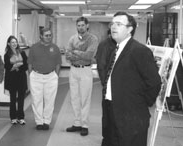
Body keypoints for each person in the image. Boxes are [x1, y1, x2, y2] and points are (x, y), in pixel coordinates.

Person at [102, 11, 161, 146]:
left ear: (130, 29)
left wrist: (140, 104)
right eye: (112, 24)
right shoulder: (115, 50)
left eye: (119, 24)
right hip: (112, 111)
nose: (113, 27)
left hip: (132, 116)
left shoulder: (139, 51)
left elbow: (154, 82)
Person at [65, 16, 98, 136]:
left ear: (87, 26)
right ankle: (77, 123)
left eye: (83, 25)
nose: (80, 27)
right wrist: (78, 54)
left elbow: (89, 55)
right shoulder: (72, 38)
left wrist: (75, 52)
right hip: (73, 70)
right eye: (78, 25)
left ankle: (85, 125)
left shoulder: (93, 39)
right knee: (74, 98)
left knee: (85, 98)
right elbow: (67, 55)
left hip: (85, 71)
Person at [28, 27, 61, 130]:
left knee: (50, 100)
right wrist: (31, 75)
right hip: (36, 76)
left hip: (51, 77)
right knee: (36, 100)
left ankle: (46, 121)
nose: (49, 37)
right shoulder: (34, 48)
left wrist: (56, 75)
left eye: (50, 35)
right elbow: (29, 63)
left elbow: (58, 63)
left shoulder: (55, 48)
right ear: (41, 36)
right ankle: (39, 122)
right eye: (46, 35)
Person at [96, 29, 116, 145]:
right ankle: (107, 139)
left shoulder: (119, 45)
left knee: (114, 114)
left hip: (118, 87)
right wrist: (106, 84)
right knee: (108, 114)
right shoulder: (105, 45)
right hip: (109, 86)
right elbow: (101, 66)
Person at [4, 35, 28, 125]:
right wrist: (13, 67)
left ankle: (21, 117)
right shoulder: (7, 55)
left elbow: (25, 65)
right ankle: (13, 117)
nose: (14, 44)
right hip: (12, 79)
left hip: (21, 78)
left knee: (21, 99)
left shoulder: (22, 53)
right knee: (13, 99)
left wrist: (18, 67)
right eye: (12, 42)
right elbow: (6, 66)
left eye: (15, 42)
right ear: (8, 44)